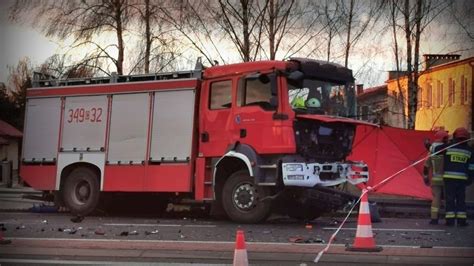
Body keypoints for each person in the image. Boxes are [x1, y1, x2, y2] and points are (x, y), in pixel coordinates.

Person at [435, 127, 473, 226]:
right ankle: (462, 221)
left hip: (449, 179)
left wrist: (447, 142)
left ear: (455, 137)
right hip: (462, 179)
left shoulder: (449, 147)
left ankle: (450, 221)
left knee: (450, 199)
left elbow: (436, 150)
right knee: (461, 200)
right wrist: (470, 178)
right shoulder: (470, 150)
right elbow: (471, 167)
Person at [423, 129, 449, 225]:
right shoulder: (449, 148)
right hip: (447, 178)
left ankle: (434, 218)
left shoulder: (432, 150)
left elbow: (426, 165)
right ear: (444, 138)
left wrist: (425, 177)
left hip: (435, 179)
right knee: (448, 198)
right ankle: (448, 218)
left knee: (436, 199)